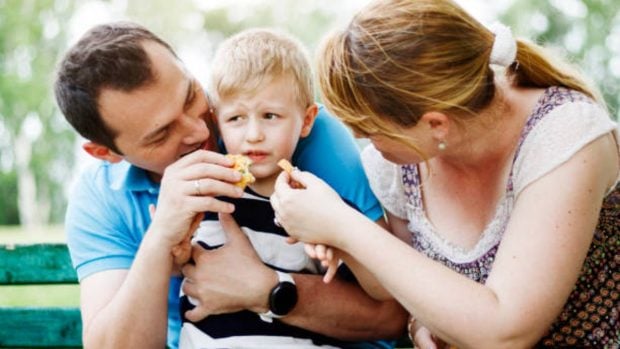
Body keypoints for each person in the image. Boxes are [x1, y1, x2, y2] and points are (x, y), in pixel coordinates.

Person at [271, 0, 620, 348]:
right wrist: (417, 323)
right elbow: (399, 281)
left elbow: (506, 331)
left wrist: (343, 225)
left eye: (372, 132)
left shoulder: (564, 136)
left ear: (435, 124)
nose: (366, 146)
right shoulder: (398, 164)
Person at [54, 22, 407, 349]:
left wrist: (268, 290)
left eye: (191, 95)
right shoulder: (100, 198)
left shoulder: (295, 135)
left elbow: (392, 315)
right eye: (162, 134)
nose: (200, 131)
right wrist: (160, 238)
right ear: (105, 152)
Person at [178, 28, 401, 348]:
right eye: (237, 118)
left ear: (307, 120)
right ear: (217, 122)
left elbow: (382, 292)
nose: (253, 134)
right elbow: (176, 263)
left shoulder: (321, 204)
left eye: (270, 116)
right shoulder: (203, 195)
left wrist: (341, 243)